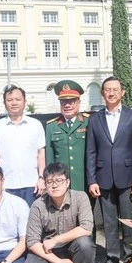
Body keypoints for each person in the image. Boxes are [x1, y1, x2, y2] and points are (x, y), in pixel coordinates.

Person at [86, 76, 132, 263]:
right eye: (107, 90)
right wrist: (92, 180)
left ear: (122, 93)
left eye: (115, 89)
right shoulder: (94, 119)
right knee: (109, 223)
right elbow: (90, 153)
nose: (111, 93)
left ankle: (130, 259)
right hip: (103, 180)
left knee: (129, 222)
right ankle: (112, 262)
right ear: (102, 94)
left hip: (128, 179)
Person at [23, 163, 96, 263]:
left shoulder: (80, 197)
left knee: (85, 244)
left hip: (72, 246)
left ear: (67, 182)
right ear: (45, 184)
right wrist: (58, 262)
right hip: (50, 251)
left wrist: (56, 240)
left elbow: (87, 227)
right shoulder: (38, 205)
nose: (54, 185)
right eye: (50, 181)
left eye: (59, 181)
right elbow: (32, 241)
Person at [45, 80, 94, 241]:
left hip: (83, 183)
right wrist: (50, 182)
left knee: (86, 220)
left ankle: (89, 258)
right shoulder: (52, 126)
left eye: (71, 101)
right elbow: (49, 158)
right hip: (60, 185)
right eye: (64, 101)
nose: (67, 105)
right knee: (62, 221)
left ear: (79, 102)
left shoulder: (88, 122)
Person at [0, 85, 46, 206]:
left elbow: (41, 154)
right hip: (6, 185)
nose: (14, 103)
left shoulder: (35, 125)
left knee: (32, 222)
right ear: (4, 103)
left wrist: (41, 178)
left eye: (18, 99)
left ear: (24, 102)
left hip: (32, 185)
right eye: (10, 100)